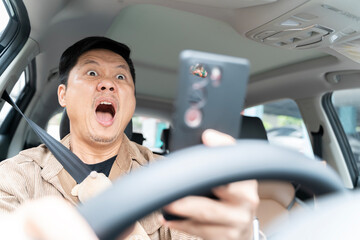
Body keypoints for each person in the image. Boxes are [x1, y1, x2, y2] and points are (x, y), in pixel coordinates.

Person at [0, 36, 259, 239]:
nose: (108, 84)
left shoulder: (171, 178)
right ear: (63, 95)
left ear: (131, 101)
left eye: (120, 76)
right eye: (92, 73)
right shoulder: (16, 175)